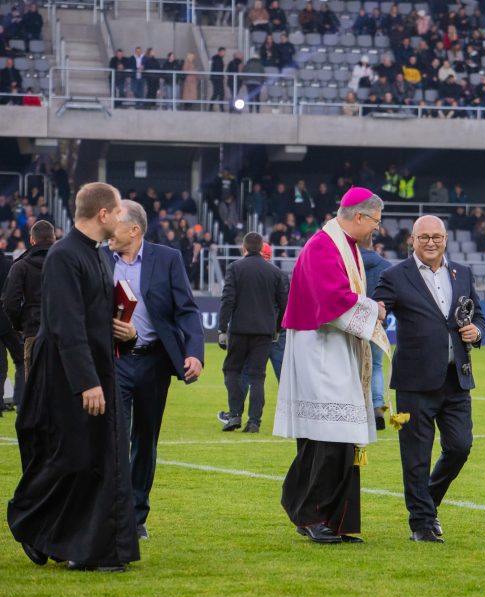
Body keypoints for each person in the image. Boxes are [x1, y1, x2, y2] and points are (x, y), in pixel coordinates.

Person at [7, 182, 140, 572]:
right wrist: (87, 382)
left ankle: (94, 549)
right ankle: (33, 524)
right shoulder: (64, 256)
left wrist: (126, 334)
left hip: (96, 370)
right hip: (68, 377)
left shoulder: (98, 256)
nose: (121, 218)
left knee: (101, 459)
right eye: (118, 211)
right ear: (103, 214)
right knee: (72, 458)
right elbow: (65, 324)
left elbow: (94, 317)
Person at [272, 188, 388, 544]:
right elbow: (332, 298)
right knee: (328, 438)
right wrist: (374, 310)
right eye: (375, 223)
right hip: (320, 352)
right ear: (359, 217)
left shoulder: (344, 245)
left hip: (337, 349)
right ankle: (309, 513)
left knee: (340, 439)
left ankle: (336, 520)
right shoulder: (324, 245)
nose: (376, 230)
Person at [372, 215, 485, 543]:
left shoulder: (461, 273)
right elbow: (380, 308)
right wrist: (373, 310)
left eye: (437, 236)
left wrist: (476, 330)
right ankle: (421, 523)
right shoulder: (394, 276)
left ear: (446, 239)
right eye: (424, 237)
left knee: (460, 447)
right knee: (416, 456)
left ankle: (428, 504)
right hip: (414, 382)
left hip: (456, 379)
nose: (431, 242)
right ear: (412, 240)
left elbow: (477, 313)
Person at [107, 200, 205, 540]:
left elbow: (186, 310)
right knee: (113, 435)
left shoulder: (167, 258)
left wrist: (194, 353)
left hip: (153, 361)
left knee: (145, 438)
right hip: (113, 360)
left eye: (115, 224)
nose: (107, 231)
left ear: (134, 230)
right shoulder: (98, 258)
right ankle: (112, 511)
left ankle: (136, 515)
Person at [217, 232, 288, 433]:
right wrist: (276, 329)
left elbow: (228, 299)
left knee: (232, 370)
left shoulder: (235, 268)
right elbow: (285, 305)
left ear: (244, 248)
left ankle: (235, 414)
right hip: (265, 333)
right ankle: (254, 422)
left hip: (239, 330)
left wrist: (222, 329)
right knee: (258, 377)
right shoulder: (276, 273)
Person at [2, 219, 54, 380]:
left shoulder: (21, 266)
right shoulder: (67, 263)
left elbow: (10, 302)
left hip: (33, 330)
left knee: (34, 389)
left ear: (32, 240)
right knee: (61, 390)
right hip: (63, 332)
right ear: (54, 239)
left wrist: (20, 325)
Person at [360, 234, 391, 430]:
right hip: (377, 322)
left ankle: (357, 407)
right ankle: (377, 406)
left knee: (354, 366)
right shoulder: (386, 266)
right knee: (377, 365)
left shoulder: (348, 262)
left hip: (353, 321)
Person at [0, 250, 24, 412]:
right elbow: (14, 296)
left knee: (0, 365)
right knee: (21, 361)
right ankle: (20, 399)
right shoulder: (10, 266)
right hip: (8, 322)